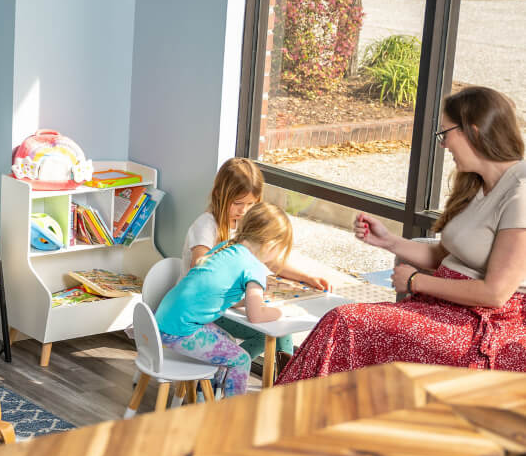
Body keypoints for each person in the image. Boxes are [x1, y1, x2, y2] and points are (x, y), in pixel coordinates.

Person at [278, 85, 526, 384]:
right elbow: (444, 255)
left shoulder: (520, 192)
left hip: (481, 325)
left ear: (472, 131)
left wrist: (415, 281)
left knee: (344, 322)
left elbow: (495, 294)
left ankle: (295, 400)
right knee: (342, 326)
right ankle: (303, 396)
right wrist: (388, 241)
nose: (443, 144)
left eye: (445, 133)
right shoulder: (477, 184)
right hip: (445, 309)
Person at [182, 157, 332, 364]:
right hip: (204, 309)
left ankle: (283, 378)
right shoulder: (206, 226)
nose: (243, 210)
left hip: (228, 305)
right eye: (238, 203)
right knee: (264, 333)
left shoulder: (243, 223)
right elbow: (199, 271)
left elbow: (271, 261)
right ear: (218, 194)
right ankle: (224, 369)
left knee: (282, 328)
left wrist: (306, 278)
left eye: (251, 204)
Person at [156, 202, 295, 396]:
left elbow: (220, 293)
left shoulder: (225, 247)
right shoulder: (254, 267)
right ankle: (232, 409)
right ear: (271, 245)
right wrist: (281, 312)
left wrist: (247, 302)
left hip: (163, 321)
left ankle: (209, 393)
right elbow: (256, 316)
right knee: (241, 360)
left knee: (228, 341)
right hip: (180, 331)